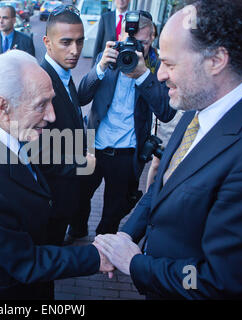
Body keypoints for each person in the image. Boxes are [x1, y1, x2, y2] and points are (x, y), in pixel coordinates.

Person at [95, 0, 242, 299]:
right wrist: (126, 235)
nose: (159, 74)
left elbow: (219, 280)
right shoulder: (198, 101)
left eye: (170, 64)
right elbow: (161, 188)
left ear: (216, 60)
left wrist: (134, 263)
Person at [0, 49, 113, 300]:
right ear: (3, 106)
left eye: (51, 101)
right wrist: (96, 257)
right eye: (41, 105)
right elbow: (26, 263)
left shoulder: (9, 131)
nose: (52, 116)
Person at [66, 13, 176, 241]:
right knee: (77, 197)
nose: (135, 47)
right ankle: (77, 230)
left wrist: (143, 75)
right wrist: (100, 68)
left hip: (126, 153)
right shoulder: (109, 57)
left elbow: (166, 112)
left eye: (143, 43)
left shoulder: (156, 65)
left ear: (152, 40)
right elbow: (81, 97)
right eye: (131, 39)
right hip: (92, 147)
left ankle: (102, 247)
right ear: (121, 36)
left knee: (113, 211)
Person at [38, 5, 95, 245]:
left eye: (80, 42)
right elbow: (35, 153)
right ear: (47, 42)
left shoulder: (63, 73)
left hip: (67, 191)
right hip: (53, 199)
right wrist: (82, 163)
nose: (75, 51)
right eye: (66, 42)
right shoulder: (41, 84)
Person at [0, 5, 35, 103]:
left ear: (13, 20)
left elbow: (31, 69)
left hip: (17, 92)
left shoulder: (26, 41)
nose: (1, 21)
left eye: (5, 18)